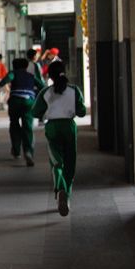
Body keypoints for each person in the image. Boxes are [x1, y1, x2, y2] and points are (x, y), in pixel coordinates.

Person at [32, 60, 86, 217]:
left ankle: (60, 188)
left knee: (57, 161)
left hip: (52, 127)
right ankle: (66, 195)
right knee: (70, 162)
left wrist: (47, 112)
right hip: (69, 126)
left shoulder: (46, 92)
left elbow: (34, 112)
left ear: (50, 76)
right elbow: (82, 111)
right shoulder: (74, 90)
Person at [0, 58, 45, 166]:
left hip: (15, 101)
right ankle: (28, 151)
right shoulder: (31, 75)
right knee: (27, 127)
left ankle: (16, 150)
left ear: (14, 66)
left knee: (14, 124)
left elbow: (7, 79)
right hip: (28, 102)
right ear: (26, 66)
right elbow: (42, 86)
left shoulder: (13, 73)